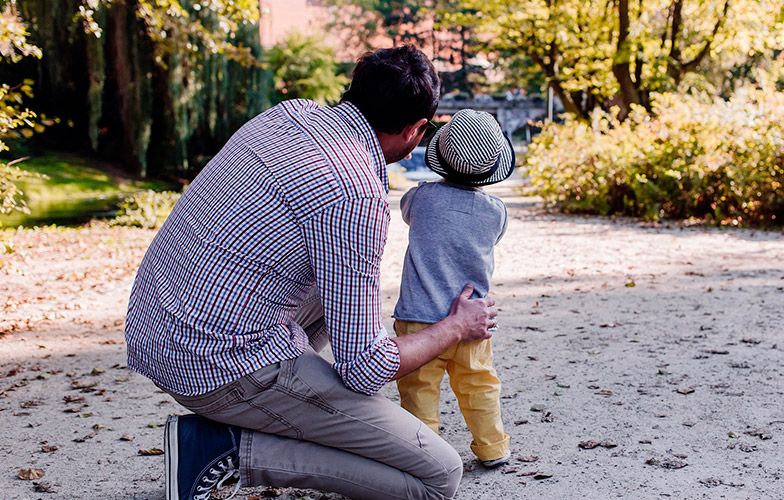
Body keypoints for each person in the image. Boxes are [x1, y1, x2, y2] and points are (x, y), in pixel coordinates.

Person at [123, 46, 498, 500]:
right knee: (438, 475)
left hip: (156, 329)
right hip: (217, 365)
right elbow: (366, 368)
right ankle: (224, 450)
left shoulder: (288, 114)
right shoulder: (355, 194)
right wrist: (456, 326)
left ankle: (280, 408)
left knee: (337, 284)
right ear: (416, 130)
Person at [393, 109, 515, 468]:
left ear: (440, 159)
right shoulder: (496, 212)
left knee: (419, 392)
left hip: (419, 321)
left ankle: (424, 455)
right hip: (473, 320)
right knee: (480, 385)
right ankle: (493, 447)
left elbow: (405, 212)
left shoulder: (420, 199)